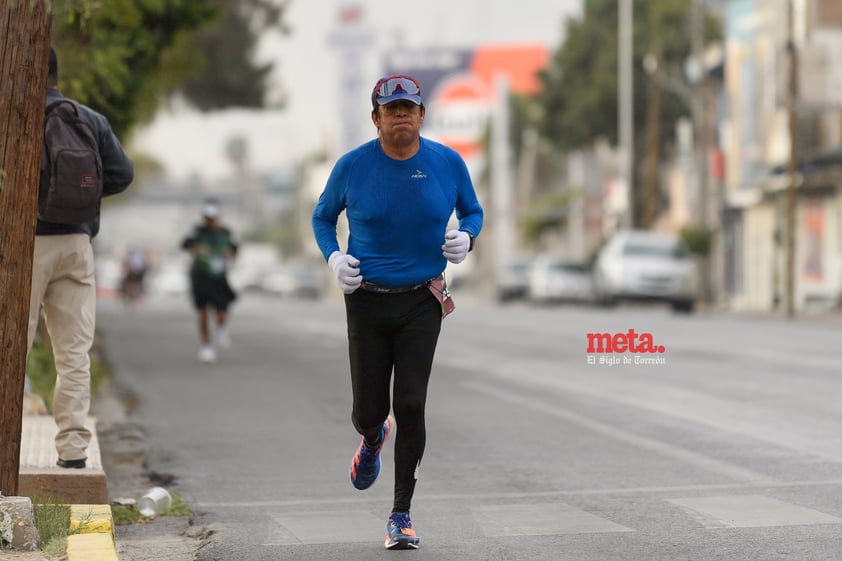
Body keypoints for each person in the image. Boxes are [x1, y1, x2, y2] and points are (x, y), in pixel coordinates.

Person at [312, 74, 483, 550]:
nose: (402, 115)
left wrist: (467, 236)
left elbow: (473, 211)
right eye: (392, 110)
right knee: (371, 410)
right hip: (365, 299)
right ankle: (371, 438)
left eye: (409, 108)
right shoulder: (353, 167)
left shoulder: (447, 163)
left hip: (421, 300)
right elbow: (323, 216)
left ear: (422, 115)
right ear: (377, 119)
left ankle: (400, 514)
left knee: (410, 404)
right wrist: (333, 257)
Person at [27, 47, 135, 469]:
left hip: (27, 245)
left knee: (9, 346)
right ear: (56, 74)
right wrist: (79, 197)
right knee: (73, 352)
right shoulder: (89, 119)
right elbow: (123, 173)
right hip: (76, 244)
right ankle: (72, 451)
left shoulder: (16, 119)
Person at [181, 199, 238, 363]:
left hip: (219, 276)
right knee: (203, 312)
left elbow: (235, 249)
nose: (210, 221)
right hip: (201, 274)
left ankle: (221, 326)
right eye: (207, 218)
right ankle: (206, 346)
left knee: (221, 311)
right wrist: (196, 248)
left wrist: (229, 253)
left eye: (213, 218)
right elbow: (185, 244)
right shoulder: (197, 232)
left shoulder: (226, 233)